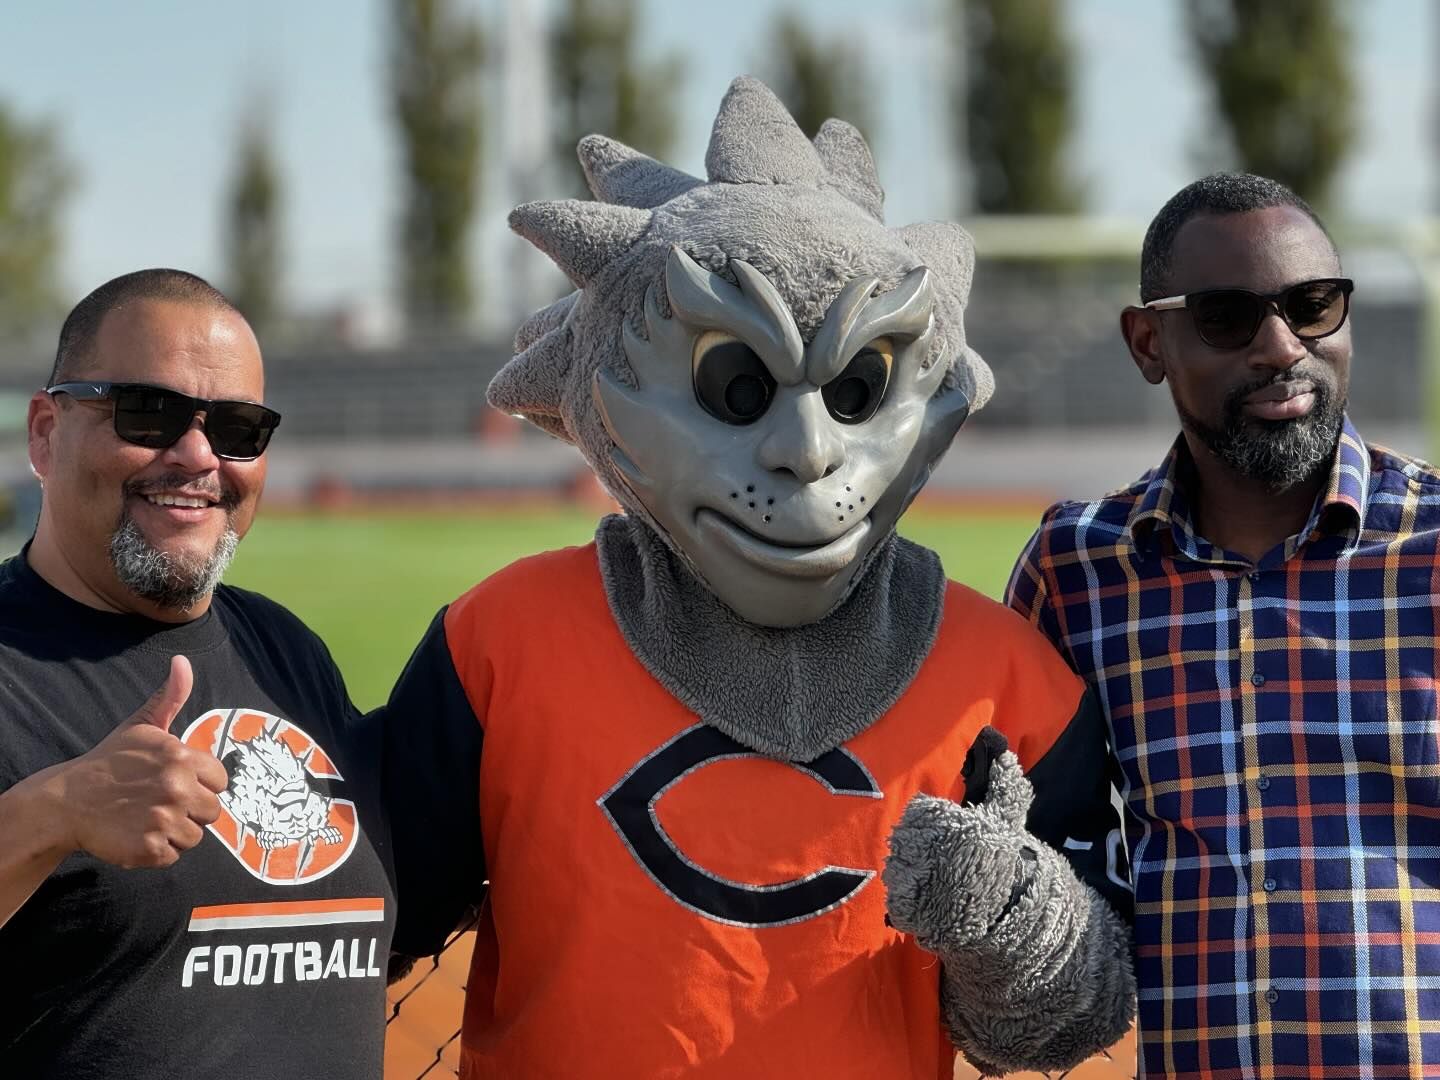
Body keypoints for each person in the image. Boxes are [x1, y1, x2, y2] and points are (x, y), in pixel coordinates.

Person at [380, 77, 1134, 1080]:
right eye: (737, 387)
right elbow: (348, 930)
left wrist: (1020, 933)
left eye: (859, 389)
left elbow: (1075, 1010)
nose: (806, 453)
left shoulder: (1003, 680)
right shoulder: (500, 646)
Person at [1006, 171, 1440, 1078]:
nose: (1283, 346)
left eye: (1313, 304)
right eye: (1227, 318)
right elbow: (1039, 867)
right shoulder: (1077, 572)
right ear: (1147, 341)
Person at [0, 270, 394, 1079]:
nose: (197, 457)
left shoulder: (283, 651)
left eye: (239, 428)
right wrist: (53, 815)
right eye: (149, 413)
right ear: (45, 433)